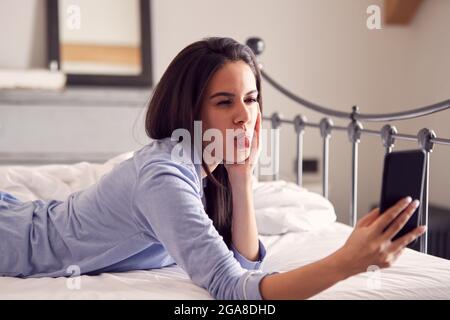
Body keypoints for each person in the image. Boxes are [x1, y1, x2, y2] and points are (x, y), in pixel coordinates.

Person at [0, 37, 426, 300]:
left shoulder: (205, 165)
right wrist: (345, 262)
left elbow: (246, 263)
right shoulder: (165, 176)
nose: (245, 116)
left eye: (252, 98)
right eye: (225, 101)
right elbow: (232, 288)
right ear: (191, 110)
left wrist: (241, 177)